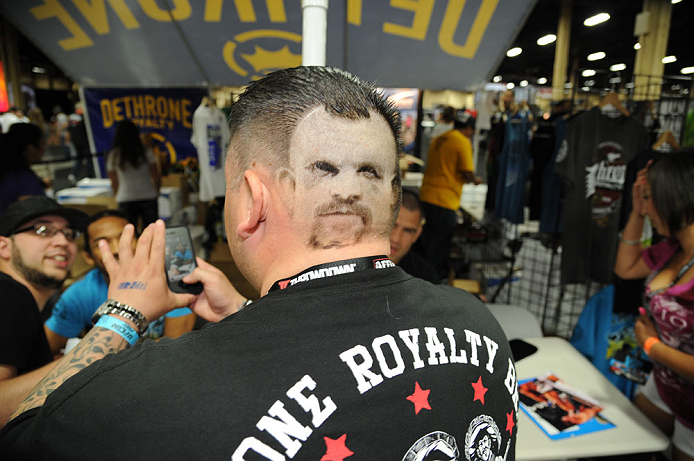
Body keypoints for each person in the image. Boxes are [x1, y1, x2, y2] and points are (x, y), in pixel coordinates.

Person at [0, 67, 517, 460]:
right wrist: (253, 316)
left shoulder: (160, 397)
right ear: (386, 197)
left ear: (251, 200)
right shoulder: (479, 322)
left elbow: (19, 435)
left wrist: (122, 316)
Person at [614, 149, 694, 461]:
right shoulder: (673, 250)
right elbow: (625, 268)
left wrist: (650, 345)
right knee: (628, 448)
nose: (647, 210)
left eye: (650, 199)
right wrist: (635, 212)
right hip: (662, 387)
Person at [43, 210, 196, 355]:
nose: (118, 249)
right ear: (88, 257)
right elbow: (43, 349)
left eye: (126, 238)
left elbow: (175, 346)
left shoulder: (173, 279)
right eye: (102, 244)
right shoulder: (79, 295)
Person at [0, 196, 88, 427]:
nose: (62, 241)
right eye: (43, 230)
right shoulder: (9, 293)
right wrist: (92, 353)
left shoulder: (24, 299)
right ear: (4, 247)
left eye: (69, 233)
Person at [417, 113, 482, 279]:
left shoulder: (440, 138)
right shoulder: (461, 141)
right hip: (444, 200)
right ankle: (430, 282)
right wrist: (476, 179)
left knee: (428, 242)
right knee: (438, 248)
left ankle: (422, 278)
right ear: (468, 128)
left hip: (427, 195)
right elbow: (467, 172)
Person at [107, 119, 160, 230]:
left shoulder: (114, 155)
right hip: (148, 196)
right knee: (151, 233)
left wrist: (117, 195)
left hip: (126, 198)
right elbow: (156, 175)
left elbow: (114, 182)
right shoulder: (146, 152)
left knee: (129, 235)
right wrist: (157, 191)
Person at [390, 189, 439, 283]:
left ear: (417, 234)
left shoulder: (426, 278)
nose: (395, 238)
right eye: (392, 225)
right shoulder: (354, 265)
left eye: (407, 231)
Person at [0, 122, 48, 214]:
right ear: (31, 148)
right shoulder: (24, 179)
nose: (44, 148)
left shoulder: (8, 174)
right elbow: (31, 214)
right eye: (43, 143)